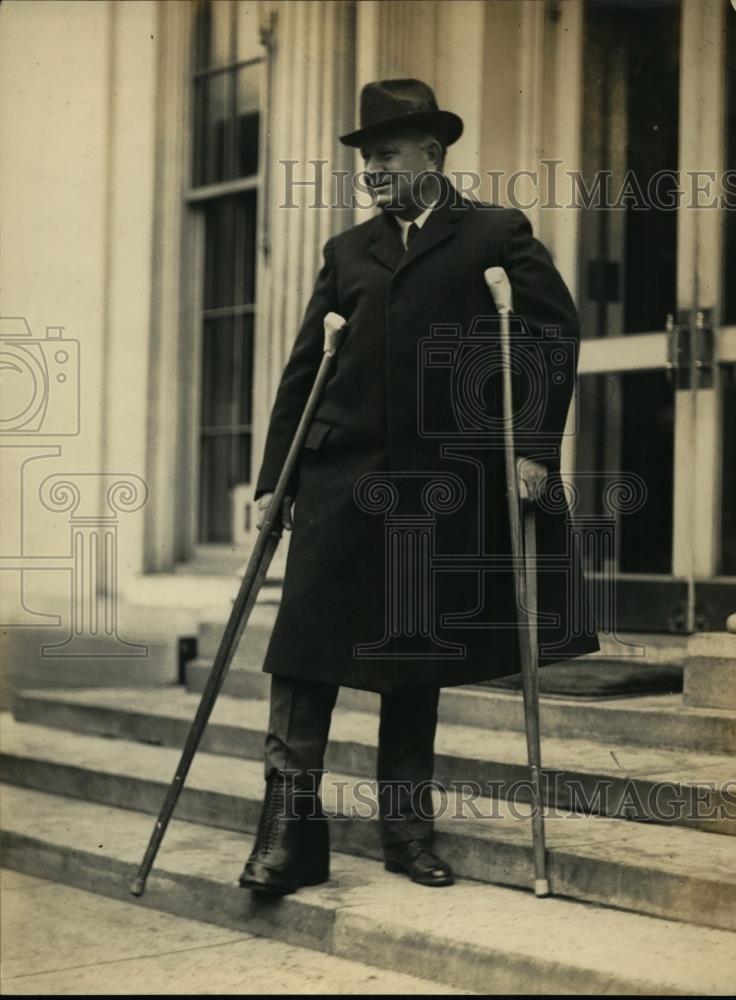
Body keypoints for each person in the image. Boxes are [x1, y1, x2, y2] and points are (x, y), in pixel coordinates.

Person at [239, 79, 599, 895]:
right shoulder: (347, 253)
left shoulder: (494, 233)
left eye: (386, 154)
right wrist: (275, 481)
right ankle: (289, 836)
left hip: (439, 487)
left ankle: (407, 833)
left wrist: (535, 447)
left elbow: (551, 334)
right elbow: (306, 371)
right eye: (365, 157)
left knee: (412, 657)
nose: (370, 169)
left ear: (433, 156)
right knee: (303, 653)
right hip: (339, 479)